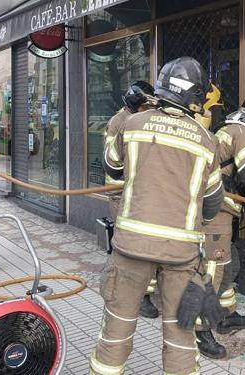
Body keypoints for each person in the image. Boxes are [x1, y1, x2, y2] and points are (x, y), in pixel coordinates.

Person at [90, 57, 225, 375]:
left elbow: (111, 166)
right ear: (196, 98)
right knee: (180, 336)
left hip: (131, 248)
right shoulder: (207, 141)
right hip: (181, 254)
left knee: (117, 329)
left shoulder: (133, 124)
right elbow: (213, 202)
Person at [196, 92, 245, 359]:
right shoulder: (240, 132)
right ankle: (201, 330)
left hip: (222, 210)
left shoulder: (229, 130)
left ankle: (226, 316)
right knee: (212, 271)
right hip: (216, 211)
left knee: (226, 267)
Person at [104, 79, 160, 319]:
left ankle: (145, 290)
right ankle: (139, 297)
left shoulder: (138, 119)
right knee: (133, 246)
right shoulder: (119, 123)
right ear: (138, 104)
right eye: (148, 105)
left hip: (139, 191)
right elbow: (114, 162)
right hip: (122, 193)